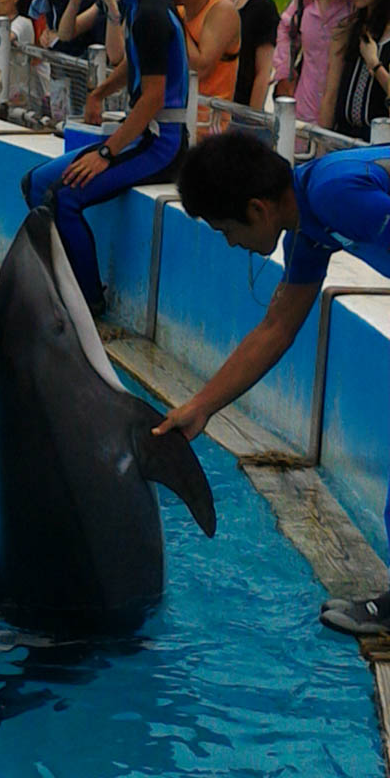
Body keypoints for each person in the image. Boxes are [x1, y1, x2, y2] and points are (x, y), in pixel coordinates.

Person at [150, 132, 390, 635]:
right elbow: (277, 328)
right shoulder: (311, 221)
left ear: (257, 210)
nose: (232, 243)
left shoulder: (334, 192)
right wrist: (202, 407)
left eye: (225, 230)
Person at [22, 0, 189, 314]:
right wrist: (100, 92)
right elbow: (139, 62)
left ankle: (88, 305)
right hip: (142, 135)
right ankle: (59, 281)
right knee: (35, 184)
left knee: (64, 200)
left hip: (160, 143)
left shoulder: (148, 10)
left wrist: (106, 153)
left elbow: (152, 97)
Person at [156, 0, 240, 138]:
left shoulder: (221, 10)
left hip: (208, 128)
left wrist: (172, 18)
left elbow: (200, 68)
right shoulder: (179, 11)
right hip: (177, 121)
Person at [320, 0, 390, 141]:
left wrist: (374, 65)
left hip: (379, 144)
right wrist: (322, 142)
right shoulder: (349, 29)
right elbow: (331, 92)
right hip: (343, 137)